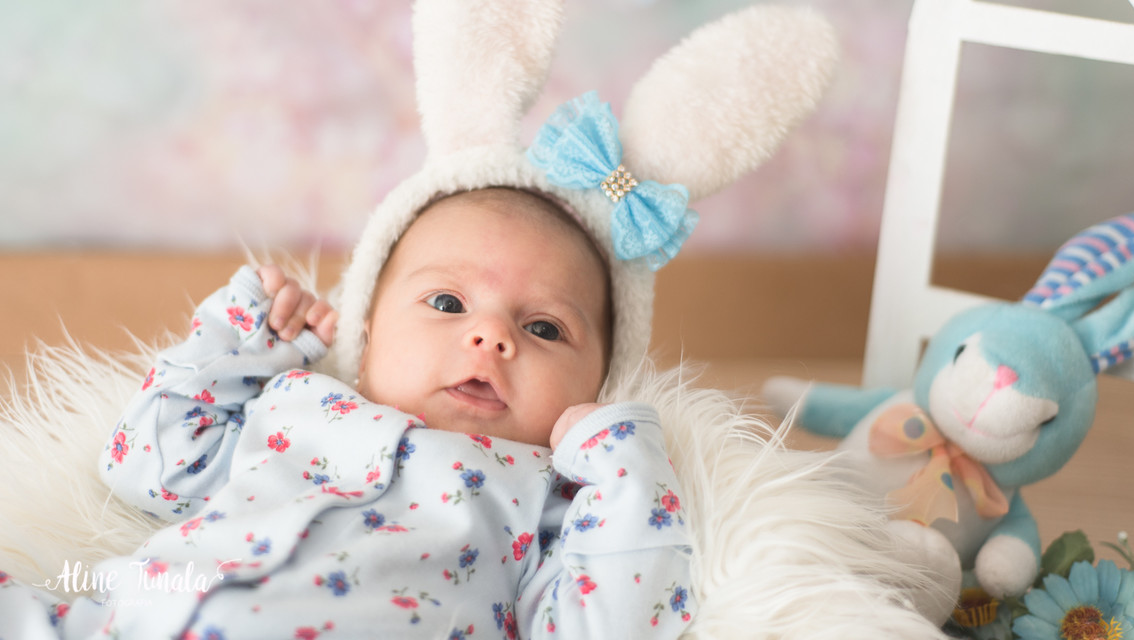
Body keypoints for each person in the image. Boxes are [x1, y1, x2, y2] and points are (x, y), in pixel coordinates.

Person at [0, 186, 694, 639]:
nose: (492, 337)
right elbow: (146, 468)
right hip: (115, 618)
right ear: (368, 336)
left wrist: (627, 471)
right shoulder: (294, 404)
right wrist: (241, 341)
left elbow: (610, 622)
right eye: (447, 304)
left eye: (545, 328)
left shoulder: (544, 499)